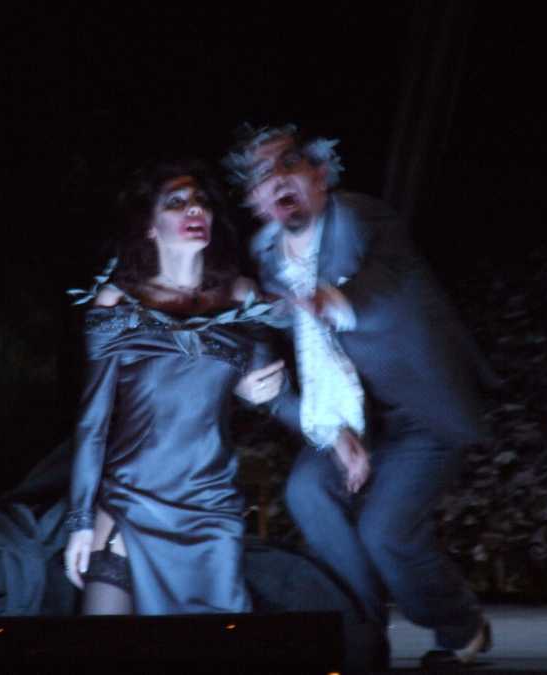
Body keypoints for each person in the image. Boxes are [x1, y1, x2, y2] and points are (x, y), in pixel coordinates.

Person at [224, 124, 497, 667]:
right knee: (307, 490)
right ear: (255, 200)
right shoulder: (266, 254)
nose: (277, 180)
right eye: (262, 176)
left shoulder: (357, 218)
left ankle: (460, 626)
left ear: (320, 174)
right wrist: (261, 390)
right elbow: (272, 350)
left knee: (385, 531)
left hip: (421, 408)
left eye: (289, 165)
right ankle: (362, 630)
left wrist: (327, 300)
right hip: (350, 415)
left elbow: (385, 279)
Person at [63, 159, 285, 616]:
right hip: (132, 501)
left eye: (201, 201)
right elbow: (93, 421)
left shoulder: (243, 295)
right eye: (176, 202)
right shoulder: (117, 303)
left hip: (210, 508)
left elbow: (268, 385)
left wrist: (263, 394)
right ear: (150, 226)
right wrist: (80, 520)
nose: (194, 209)